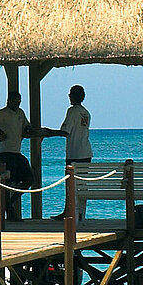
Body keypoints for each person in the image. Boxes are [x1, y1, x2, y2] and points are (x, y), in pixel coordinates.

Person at [43, 85, 92, 216]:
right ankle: (79, 212)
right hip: (86, 152)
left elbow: (65, 131)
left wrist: (47, 132)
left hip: (74, 153)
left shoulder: (72, 111)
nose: (69, 96)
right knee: (82, 185)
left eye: (70, 94)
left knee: (70, 184)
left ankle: (68, 212)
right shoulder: (86, 113)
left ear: (74, 96)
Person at [0, 91, 38, 193]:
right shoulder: (3, 113)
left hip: (16, 153)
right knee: (8, 182)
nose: (17, 103)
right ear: (8, 101)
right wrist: (1, 133)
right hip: (5, 152)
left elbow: (27, 126)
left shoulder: (20, 113)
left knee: (29, 179)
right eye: (14, 101)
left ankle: (12, 201)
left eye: (19, 101)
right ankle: (7, 206)